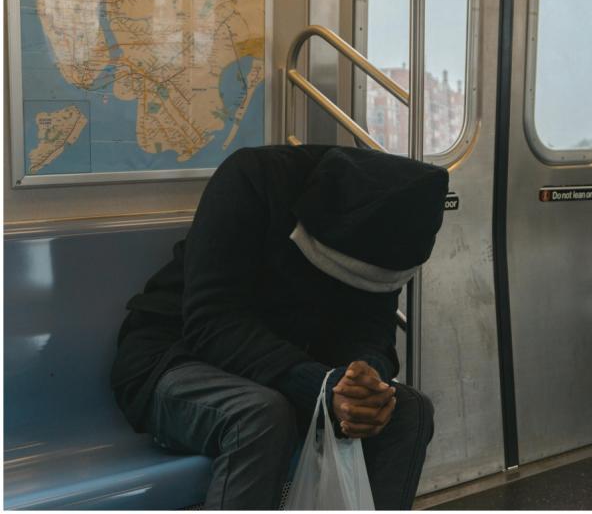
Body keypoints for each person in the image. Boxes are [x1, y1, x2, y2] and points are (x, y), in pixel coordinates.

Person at [110, 145, 449, 509]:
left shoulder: (389, 227)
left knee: (408, 410)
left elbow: (371, 328)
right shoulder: (253, 178)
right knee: (261, 415)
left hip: (283, 371)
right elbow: (211, 320)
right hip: (174, 358)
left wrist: (366, 378)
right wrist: (320, 387)